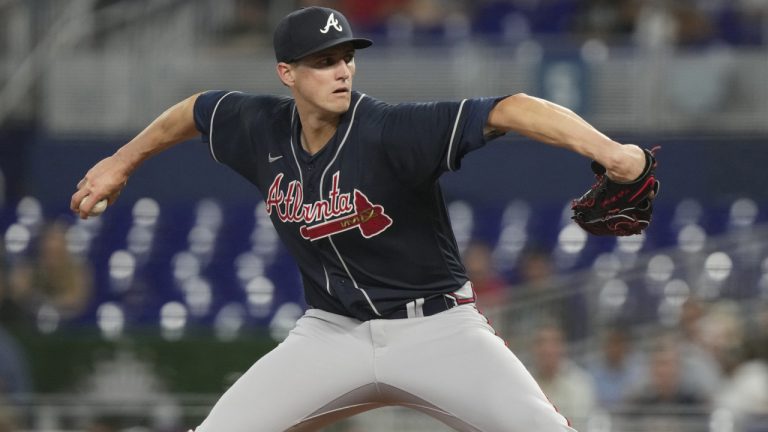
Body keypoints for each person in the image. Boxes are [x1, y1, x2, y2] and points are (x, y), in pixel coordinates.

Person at [70, 6, 649, 432]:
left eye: (347, 57)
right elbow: (195, 111)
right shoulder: (258, 127)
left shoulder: (391, 130)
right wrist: (120, 163)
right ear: (286, 73)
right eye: (323, 62)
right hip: (330, 332)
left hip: (438, 330)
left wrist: (609, 151)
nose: (342, 70)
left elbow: (511, 107)